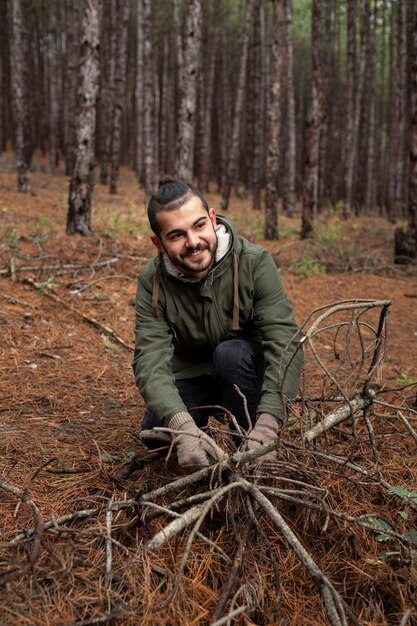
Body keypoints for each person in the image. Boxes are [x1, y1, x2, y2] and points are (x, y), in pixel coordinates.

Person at [132, 177, 303, 469]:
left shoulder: (254, 262)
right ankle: (197, 433)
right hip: (193, 372)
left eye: (199, 226)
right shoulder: (153, 281)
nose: (193, 242)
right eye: (176, 235)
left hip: (246, 368)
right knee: (159, 438)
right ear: (158, 243)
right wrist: (182, 426)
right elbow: (149, 360)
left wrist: (269, 423)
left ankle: (250, 444)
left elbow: (284, 340)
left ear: (212, 219)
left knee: (231, 354)